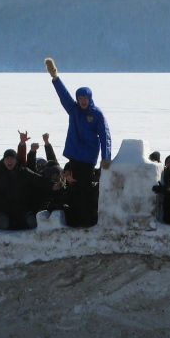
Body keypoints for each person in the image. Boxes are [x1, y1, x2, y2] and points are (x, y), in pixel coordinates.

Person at [45, 57, 111, 227]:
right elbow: (63, 96)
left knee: (84, 190)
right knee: (72, 188)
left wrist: (106, 157)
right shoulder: (73, 110)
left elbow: (105, 136)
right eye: (80, 98)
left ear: (89, 98)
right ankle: (74, 220)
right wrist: (55, 77)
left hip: (88, 158)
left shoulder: (96, 114)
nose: (82, 101)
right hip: (74, 155)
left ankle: (88, 221)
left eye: (84, 98)